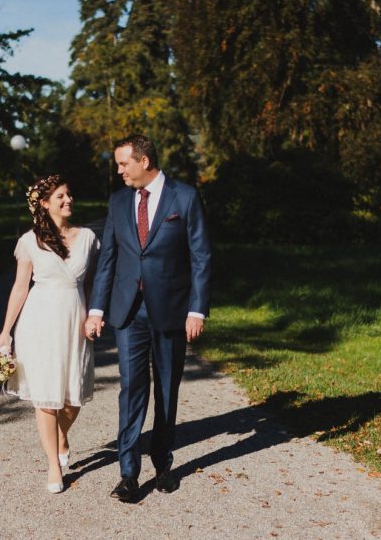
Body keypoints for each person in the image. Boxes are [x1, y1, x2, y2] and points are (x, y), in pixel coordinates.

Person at [86, 134, 212, 502]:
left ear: (144, 161)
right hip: (128, 312)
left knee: (167, 389)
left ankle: (163, 464)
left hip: (171, 310)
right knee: (131, 389)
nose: (119, 171)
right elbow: (108, 259)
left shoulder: (184, 197)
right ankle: (128, 473)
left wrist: (196, 309)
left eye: (124, 163)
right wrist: (97, 309)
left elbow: (201, 256)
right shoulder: (118, 201)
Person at [0, 174, 99, 494]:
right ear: (44, 204)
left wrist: (94, 315)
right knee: (45, 395)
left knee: (73, 396)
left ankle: (61, 435)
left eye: (69, 194)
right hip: (39, 323)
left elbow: (93, 284)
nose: (68, 200)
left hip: (75, 322)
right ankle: (54, 465)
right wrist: (5, 332)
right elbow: (20, 287)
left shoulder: (88, 238)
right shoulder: (30, 241)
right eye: (60, 197)